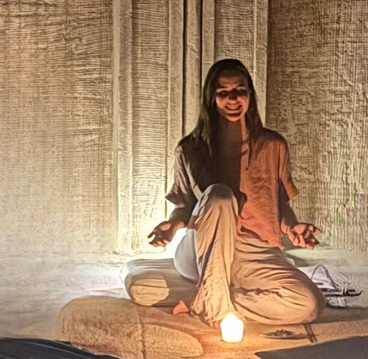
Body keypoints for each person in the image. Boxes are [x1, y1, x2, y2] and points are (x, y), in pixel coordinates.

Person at [132, 60, 323, 329]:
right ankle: (213, 296)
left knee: (308, 303)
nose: (232, 99)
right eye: (223, 92)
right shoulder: (190, 149)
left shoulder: (273, 145)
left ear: (249, 95)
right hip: (203, 248)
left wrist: (292, 226)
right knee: (220, 195)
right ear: (212, 98)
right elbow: (186, 205)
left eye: (239, 90)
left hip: (252, 251)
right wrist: (172, 226)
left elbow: (277, 203)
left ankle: (207, 299)